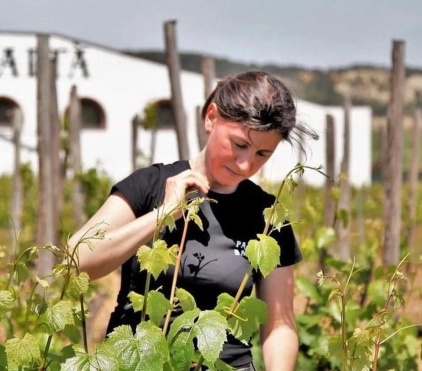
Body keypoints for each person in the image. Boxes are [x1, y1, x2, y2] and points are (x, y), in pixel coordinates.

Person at [68, 71, 317, 371]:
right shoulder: (149, 185)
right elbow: (77, 260)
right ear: (211, 117)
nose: (245, 164)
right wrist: (161, 215)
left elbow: (279, 325)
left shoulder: (268, 218)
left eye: (263, 154)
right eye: (239, 144)